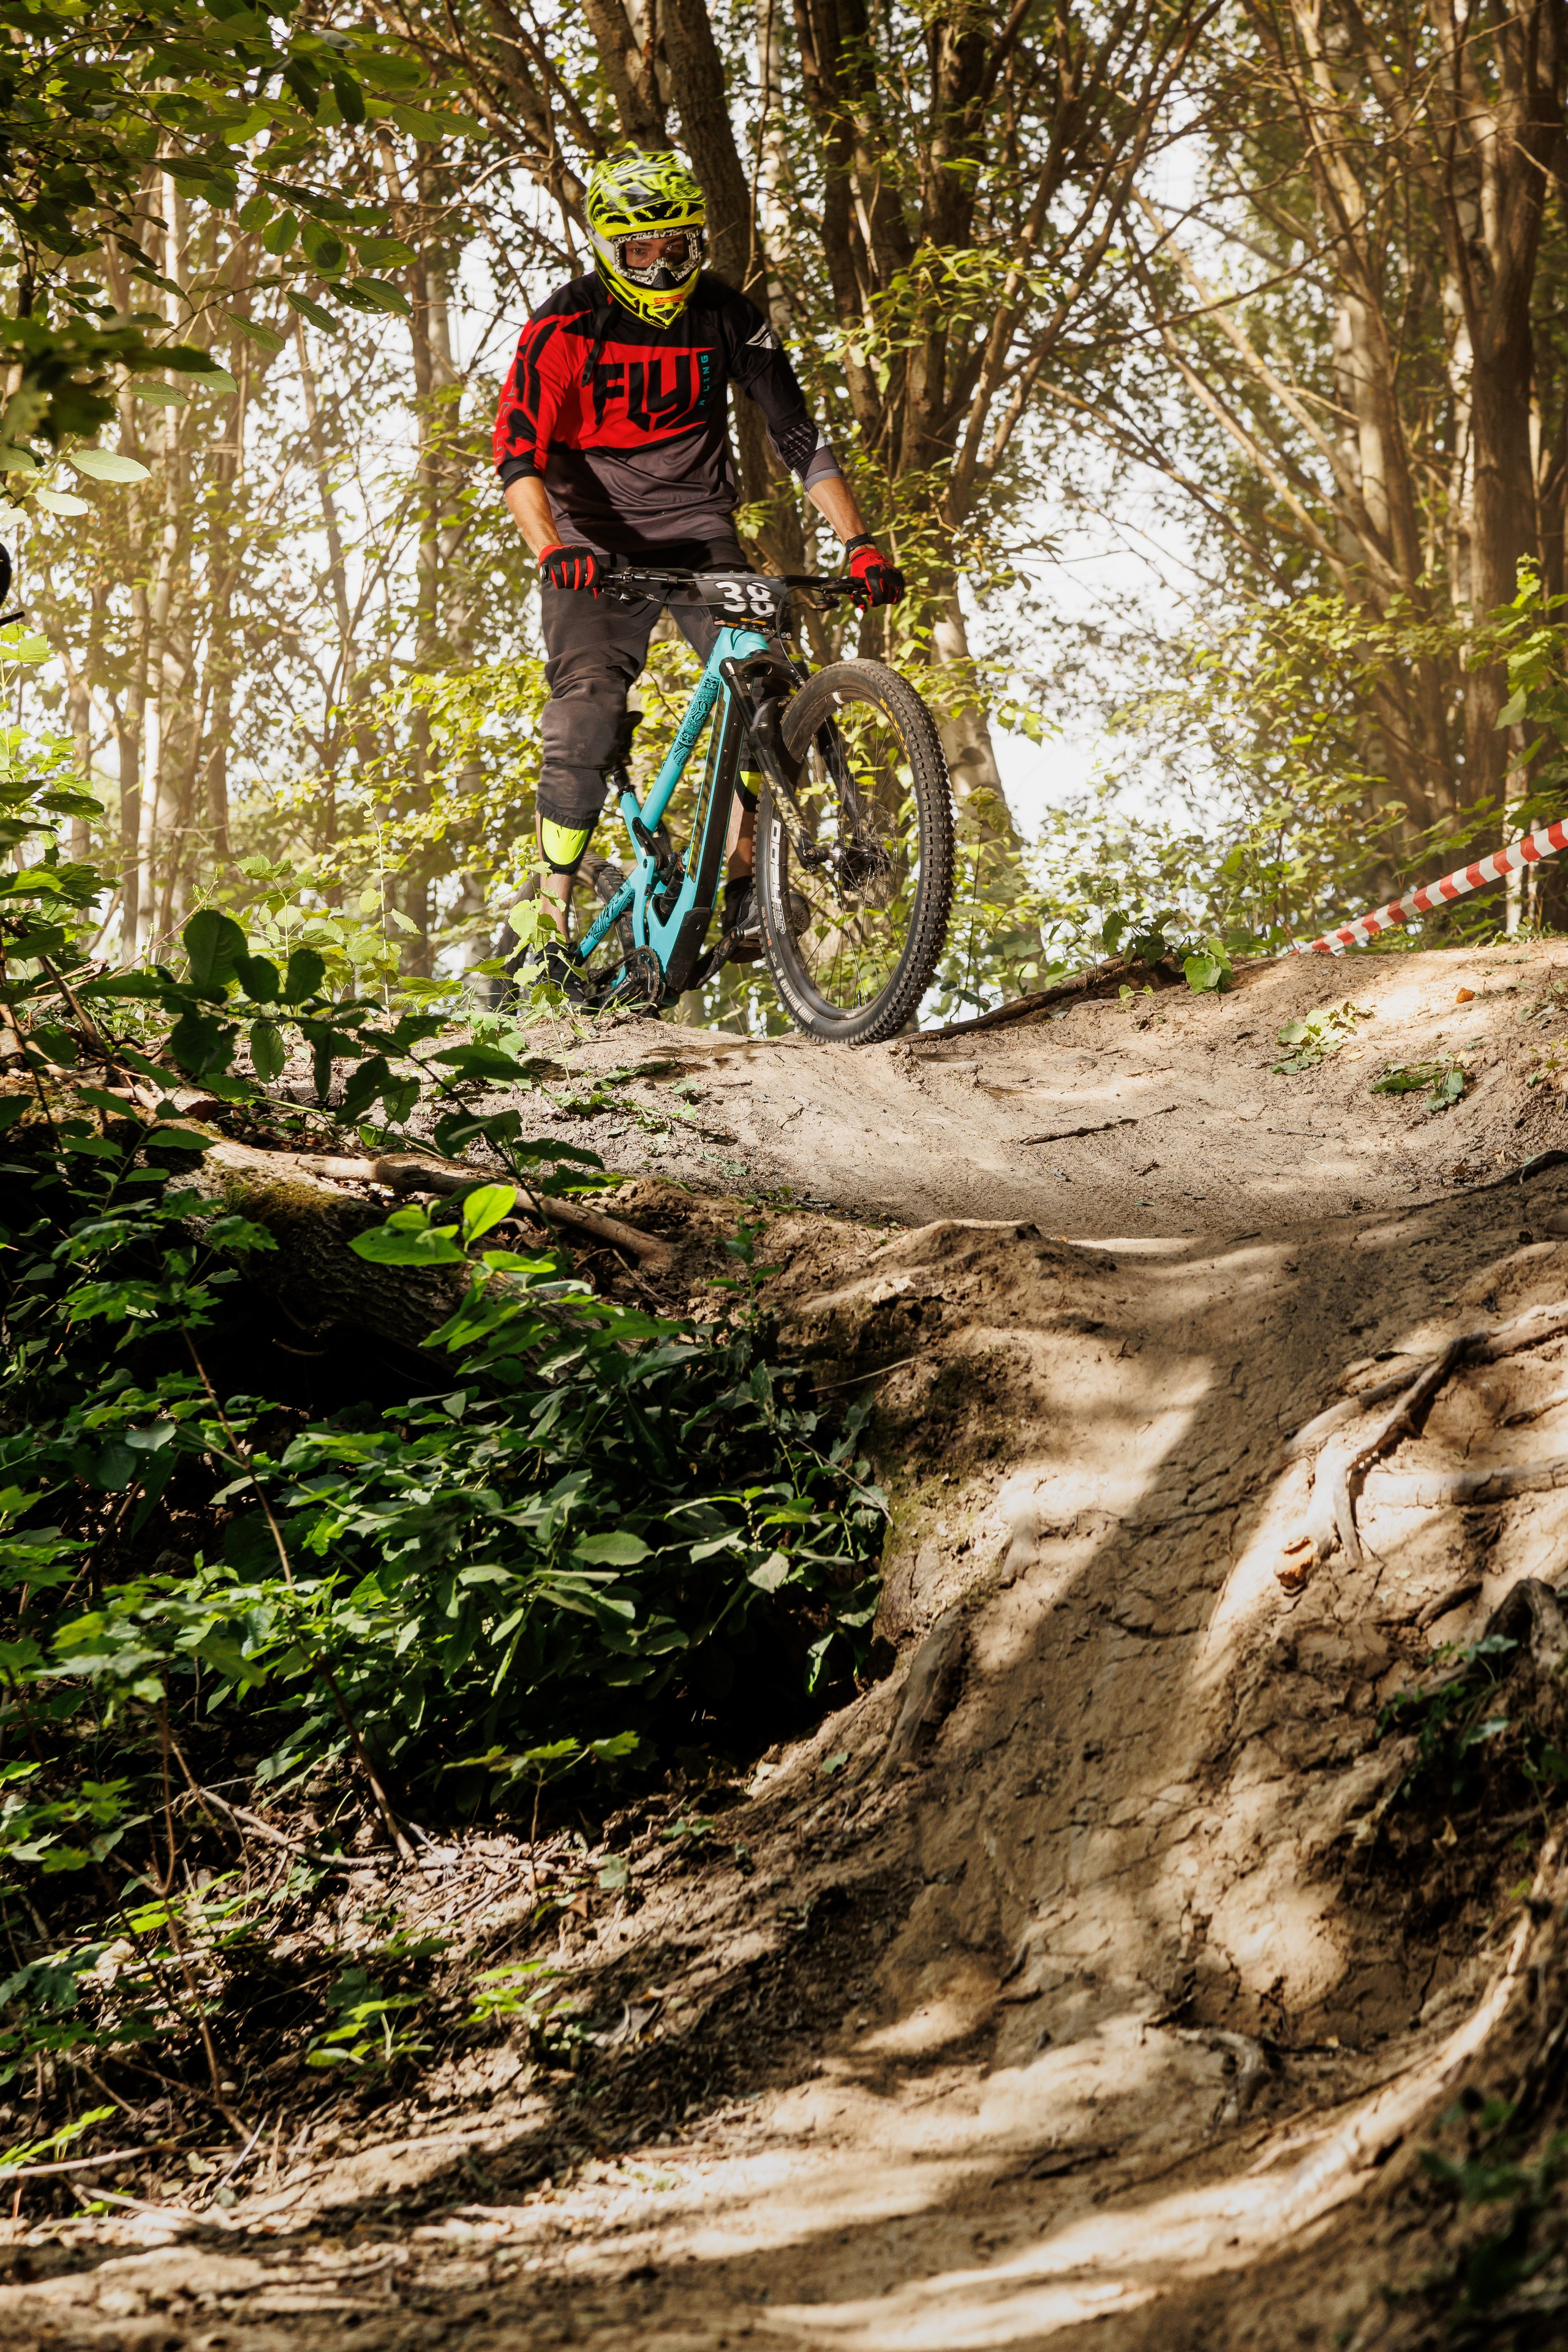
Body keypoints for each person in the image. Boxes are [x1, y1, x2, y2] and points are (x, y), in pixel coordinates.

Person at [492, 148, 903, 978]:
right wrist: (553, 548)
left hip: (698, 532)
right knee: (587, 712)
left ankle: (748, 874)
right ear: (609, 248)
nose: (661, 263)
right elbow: (518, 459)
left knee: (762, 669)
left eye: (675, 244)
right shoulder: (563, 327)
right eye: (640, 249)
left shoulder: (725, 315)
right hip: (591, 546)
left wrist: (858, 542)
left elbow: (797, 435)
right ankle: (552, 906)